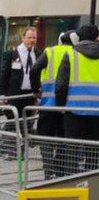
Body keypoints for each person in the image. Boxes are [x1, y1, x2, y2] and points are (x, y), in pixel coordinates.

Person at [30, 30, 78, 179]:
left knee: (46, 138)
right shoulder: (76, 53)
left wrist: (36, 90)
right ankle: (60, 170)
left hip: (48, 104)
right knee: (63, 139)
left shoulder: (49, 51)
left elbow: (34, 69)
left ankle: (48, 171)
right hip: (66, 106)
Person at [55, 24, 99, 175]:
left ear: (79, 37)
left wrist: (61, 105)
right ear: (96, 37)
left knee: (72, 146)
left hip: (73, 108)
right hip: (97, 109)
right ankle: (92, 180)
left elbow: (61, 84)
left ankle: (71, 178)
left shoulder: (71, 54)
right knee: (93, 147)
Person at [0, 26, 41, 158]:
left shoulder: (38, 54)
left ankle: (20, 150)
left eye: (34, 38)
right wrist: (2, 93)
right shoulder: (12, 53)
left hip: (29, 94)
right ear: (23, 38)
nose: (32, 40)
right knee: (13, 121)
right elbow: (4, 75)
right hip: (14, 94)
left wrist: (38, 92)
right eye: (29, 37)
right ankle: (7, 147)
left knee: (26, 123)